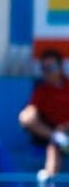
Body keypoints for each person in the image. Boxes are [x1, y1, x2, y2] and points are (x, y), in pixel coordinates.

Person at [18, 49, 69, 177]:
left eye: (51, 67)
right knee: (53, 145)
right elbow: (30, 113)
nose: (47, 72)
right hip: (50, 133)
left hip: (66, 130)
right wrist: (56, 135)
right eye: (44, 68)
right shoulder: (41, 90)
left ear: (61, 66)